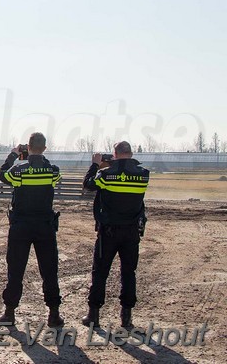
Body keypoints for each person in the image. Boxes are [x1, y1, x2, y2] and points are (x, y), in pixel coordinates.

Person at [0, 132, 64, 327]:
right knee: (49, 270)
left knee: (16, 270)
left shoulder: (19, 171)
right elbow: (52, 171)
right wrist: (39, 156)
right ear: (44, 148)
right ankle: (53, 314)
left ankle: (9, 313)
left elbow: (2, 174)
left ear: (27, 147)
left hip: (21, 226)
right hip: (45, 226)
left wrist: (13, 155)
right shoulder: (52, 171)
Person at [81, 141, 149, 329]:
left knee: (100, 272)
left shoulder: (105, 175)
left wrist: (96, 164)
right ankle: (126, 318)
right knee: (129, 273)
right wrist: (116, 164)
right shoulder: (144, 175)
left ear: (115, 154)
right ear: (132, 152)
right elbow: (127, 174)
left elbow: (88, 185)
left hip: (108, 232)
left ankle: (93, 315)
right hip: (131, 231)